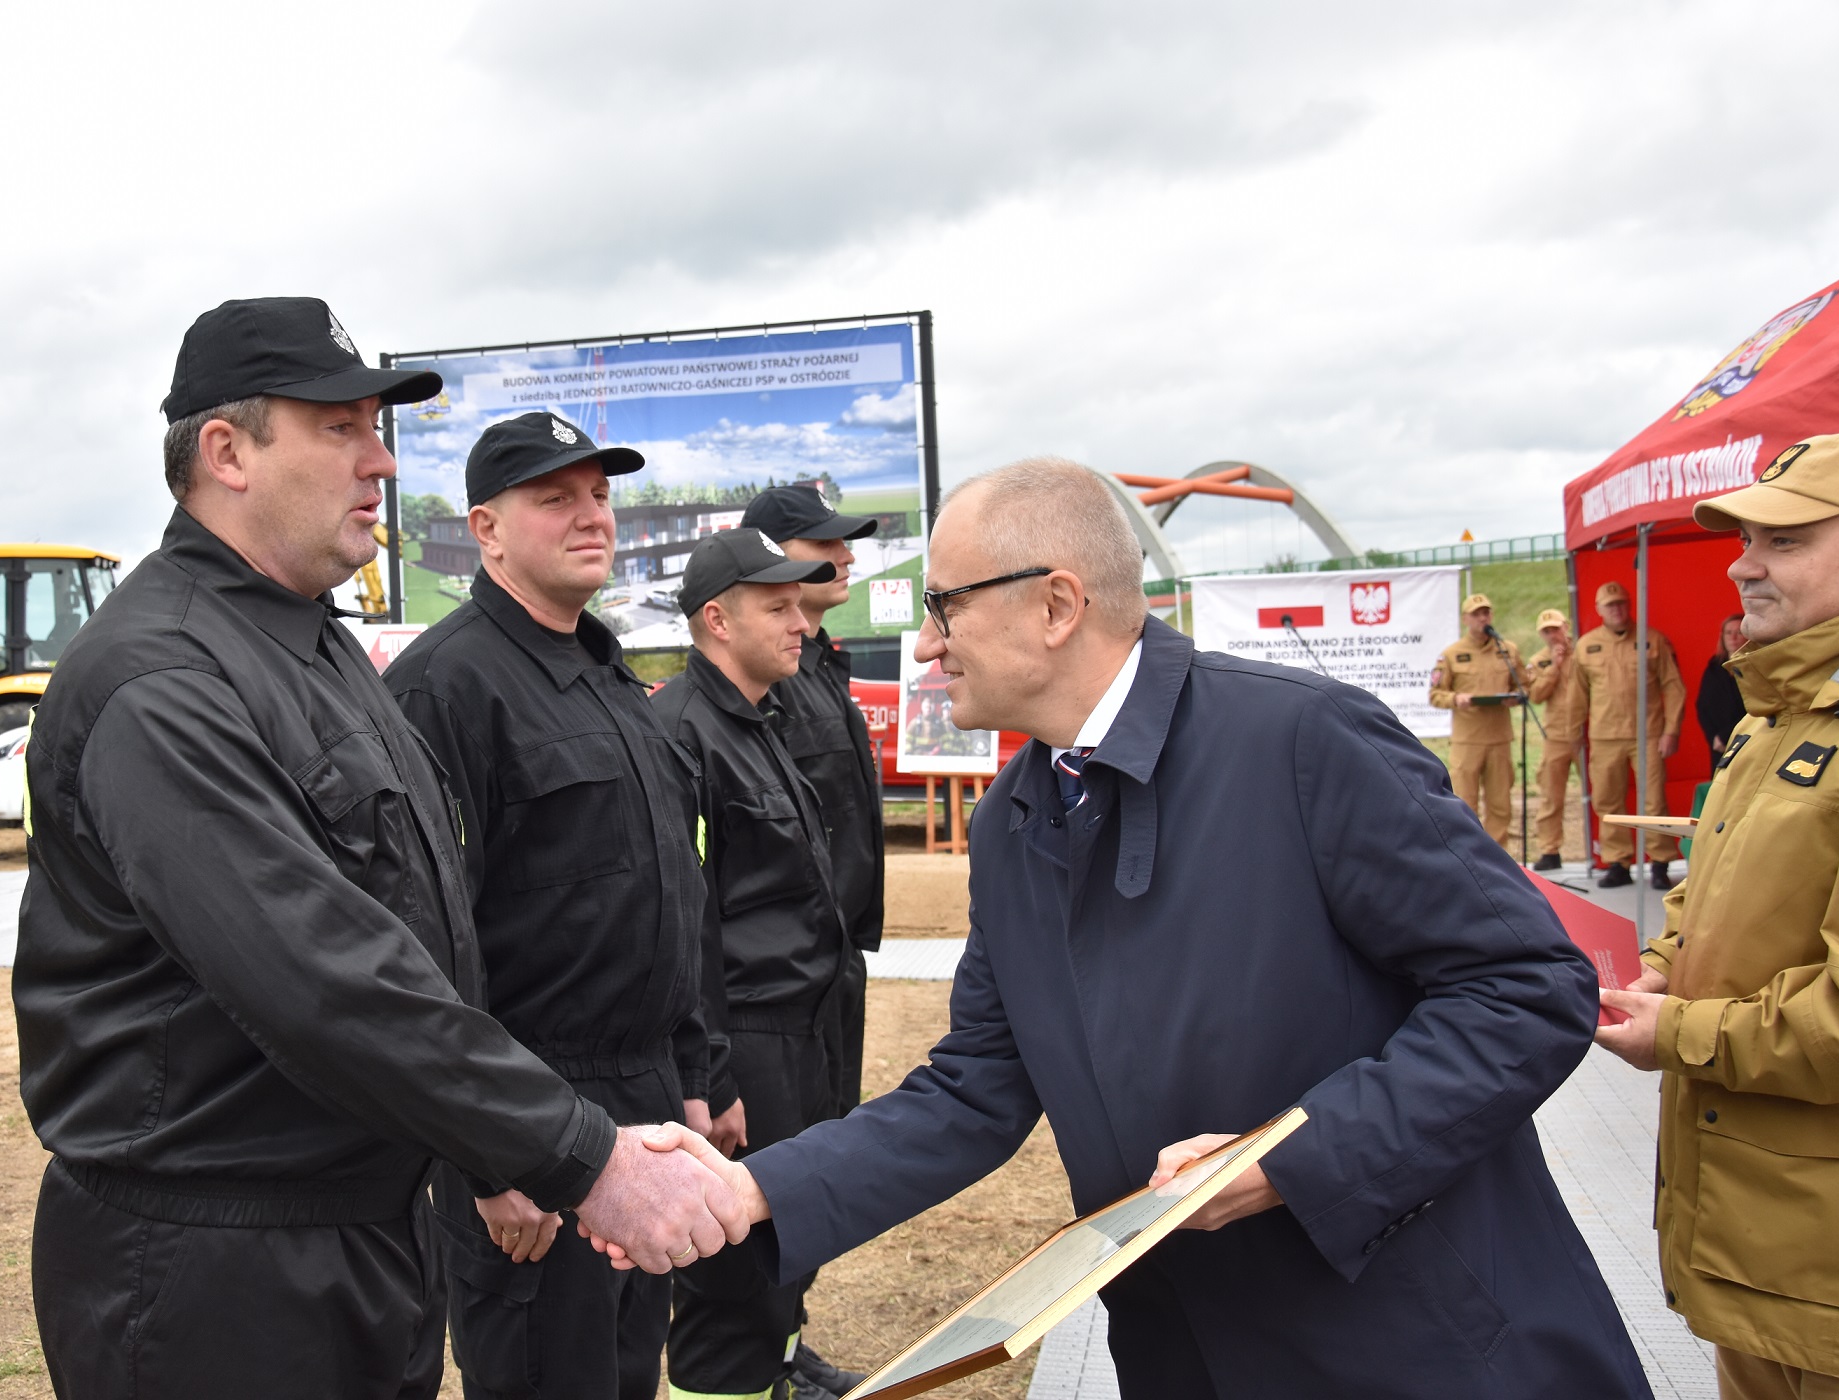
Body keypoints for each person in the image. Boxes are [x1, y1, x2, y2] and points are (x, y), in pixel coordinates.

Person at [622, 457, 1650, 1399]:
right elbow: (976, 1088)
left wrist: (1291, 1160)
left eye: (945, 606)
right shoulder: (1012, 822)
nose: (927, 643)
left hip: (1411, 1341)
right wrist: (751, 1190)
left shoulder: (1301, 741)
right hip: (1185, 1349)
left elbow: (1527, 986)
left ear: (1057, 604)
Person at [15, 298, 744, 1400]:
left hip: (359, 1229)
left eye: (378, 429)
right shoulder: (162, 679)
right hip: (220, 1267)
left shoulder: (310, 647)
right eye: (341, 428)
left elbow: (425, 931)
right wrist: (573, 1154)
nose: (384, 463)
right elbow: (322, 976)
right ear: (228, 453)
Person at [383, 411, 715, 1400]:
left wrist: (687, 1079)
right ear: (485, 530)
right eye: (556, 497)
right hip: (534, 1111)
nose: (593, 516)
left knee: (628, 1372)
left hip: (645, 1099)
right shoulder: (446, 686)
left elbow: (666, 895)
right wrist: (489, 1158)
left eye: (601, 495)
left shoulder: (606, 673)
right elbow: (419, 947)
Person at [1595, 433, 1839, 1399]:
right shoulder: (1772, 714)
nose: (1743, 565)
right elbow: (1712, 892)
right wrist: (1662, 966)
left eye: (1785, 541)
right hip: (1765, 1251)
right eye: (1746, 539)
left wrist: (1678, 1033)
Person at [650, 529, 850, 1400]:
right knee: (733, 1283)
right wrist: (714, 1076)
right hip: (749, 1043)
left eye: (801, 604)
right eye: (778, 607)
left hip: (803, 1035)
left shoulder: (759, 720)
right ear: (718, 620)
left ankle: (781, 1377)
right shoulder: (682, 733)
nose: (801, 622)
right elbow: (682, 925)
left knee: (786, 1250)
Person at [737, 485, 887, 1399]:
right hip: (779, 982)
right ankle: (763, 1357)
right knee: (775, 1180)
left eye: (847, 541)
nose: (845, 557)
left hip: (833, 970)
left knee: (819, 1168)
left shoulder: (819, 663)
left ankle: (789, 1345)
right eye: (823, 542)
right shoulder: (766, 678)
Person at [1575, 579, 1687, 890]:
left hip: (1647, 734)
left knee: (1654, 801)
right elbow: (1577, 695)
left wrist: (1671, 730)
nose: (1617, 610)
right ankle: (1618, 862)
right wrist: (1574, 733)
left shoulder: (1652, 640)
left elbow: (1674, 687)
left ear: (1629, 605)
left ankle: (1660, 862)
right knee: (1607, 801)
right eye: (1610, 605)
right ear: (1599, 609)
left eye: (1622, 603)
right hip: (1604, 736)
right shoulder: (1586, 646)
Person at [1428, 593, 1524, 850]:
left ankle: (1499, 857)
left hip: (1499, 739)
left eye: (1486, 613)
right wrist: (1456, 698)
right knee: (1464, 803)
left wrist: (1514, 698)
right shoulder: (1451, 655)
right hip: (1467, 741)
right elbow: (1435, 695)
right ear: (1465, 619)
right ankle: (1469, 856)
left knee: (1500, 804)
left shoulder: (1507, 650)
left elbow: (1524, 686)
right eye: (1476, 614)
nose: (1483, 618)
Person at [1527, 608, 1587, 870]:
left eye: (1556, 628)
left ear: (1566, 626)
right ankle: (1550, 850)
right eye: (1546, 631)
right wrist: (1554, 667)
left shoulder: (1584, 652)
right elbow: (1535, 695)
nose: (1553, 635)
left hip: (1586, 734)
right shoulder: (1539, 661)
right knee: (1551, 795)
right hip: (1556, 736)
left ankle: (1605, 851)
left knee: (1598, 793)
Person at [1695, 612, 1750, 765]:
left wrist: (1725, 735)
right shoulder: (1714, 667)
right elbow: (1703, 706)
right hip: (1719, 745)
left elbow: (1754, 708)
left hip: (1747, 739)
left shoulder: (1754, 666)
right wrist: (1714, 737)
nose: (1733, 637)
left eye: (1739, 632)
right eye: (1728, 632)